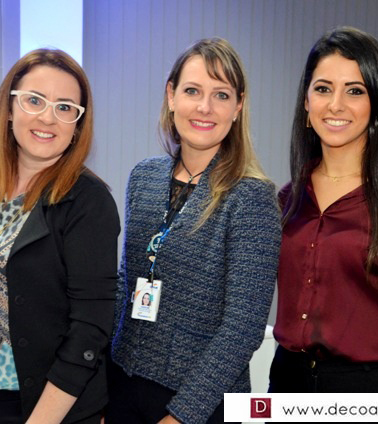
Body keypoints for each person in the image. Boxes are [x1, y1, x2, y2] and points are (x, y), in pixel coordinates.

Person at [0, 49, 120, 423]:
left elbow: (89, 331)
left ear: (77, 125)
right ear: (9, 109)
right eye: (34, 100)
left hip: (44, 410)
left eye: (65, 107)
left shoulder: (88, 202)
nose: (48, 117)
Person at [108, 38, 281, 424]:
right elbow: (125, 285)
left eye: (221, 95)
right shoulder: (144, 177)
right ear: (171, 96)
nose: (205, 107)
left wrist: (182, 415)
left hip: (202, 404)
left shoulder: (251, 197)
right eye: (192, 91)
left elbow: (243, 328)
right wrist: (101, 389)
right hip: (123, 385)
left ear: (238, 107)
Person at [270, 27, 378, 394]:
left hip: (366, 394)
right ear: (306, 102)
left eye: (354, 91)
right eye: (323, 89)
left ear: (377, 103)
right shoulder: (286, 199)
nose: (336, 105)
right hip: (286, 383)